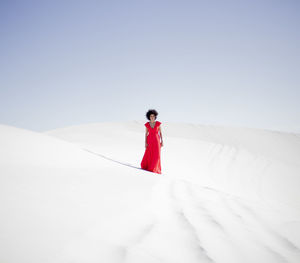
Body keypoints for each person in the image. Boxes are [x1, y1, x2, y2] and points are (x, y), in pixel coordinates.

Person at [141, 109, 163, 174]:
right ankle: (149, 166)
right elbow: (146, 134)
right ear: (149, 117)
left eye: (153, 116)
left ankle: (154, 168)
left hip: (157, 140)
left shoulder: (158, 124)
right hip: (149, 140)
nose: (152, 117)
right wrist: (145, 142)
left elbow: (160, 133)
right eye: (151, 116)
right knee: (149, 153)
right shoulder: (147, 124)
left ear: (155, 116)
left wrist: (162, 141)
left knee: (157, 154)